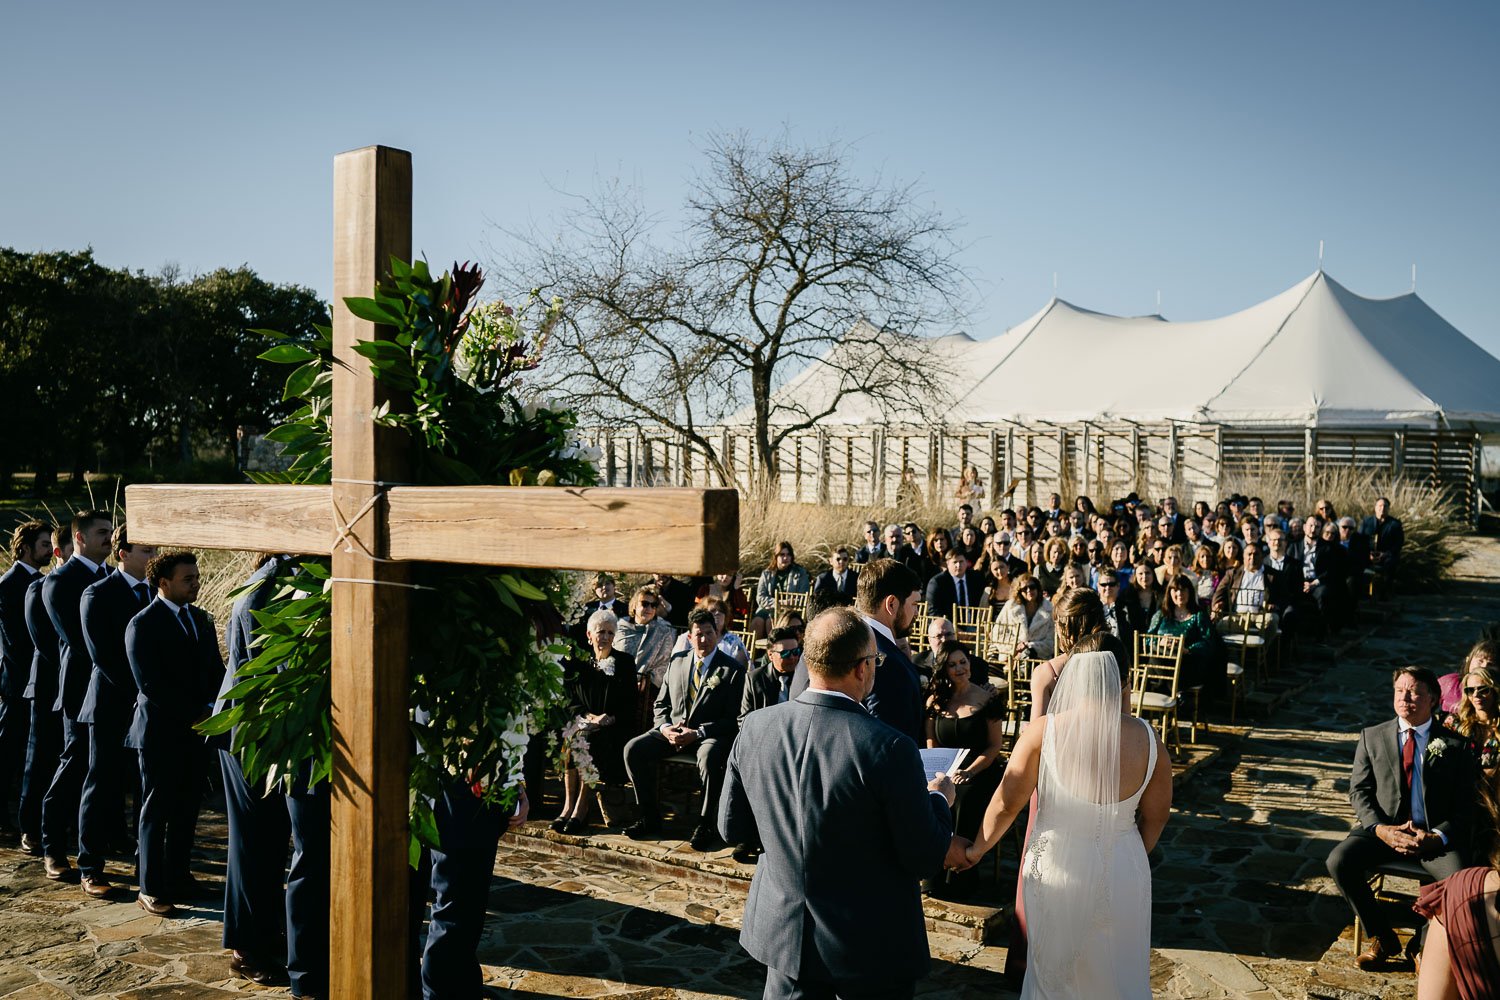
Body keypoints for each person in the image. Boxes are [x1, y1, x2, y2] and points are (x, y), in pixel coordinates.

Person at [719, 606, 965, 1000]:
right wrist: (939, 797)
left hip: (786, 935)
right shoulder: (889, 747)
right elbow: (922, 855)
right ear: (862, 668)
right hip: (868, 943)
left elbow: (732, 829)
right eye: (876, 660)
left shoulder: (755, 727)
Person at [964, 649, 1172, 999]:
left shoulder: (1044, 731)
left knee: (1054, 975)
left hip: (1058, 868)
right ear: (1123, 683)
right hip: (1124, 868)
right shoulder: (1149, 739)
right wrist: (1124, 850)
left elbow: (1005, 803)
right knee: (1115, 973)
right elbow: (1156, 817)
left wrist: (974, 849)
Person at [1326, 667, 1475, 970]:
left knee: (1459, 881)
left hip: (1433, 839)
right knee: (1338, 861)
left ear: (1433, 699)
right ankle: (1383, 936)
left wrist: (1437, 836)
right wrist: (1381, 829)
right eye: (1399, 690)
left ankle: (1419, 945)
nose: (1405, 697)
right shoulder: (1373, 736)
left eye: (1415, 691)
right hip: (1384, 830)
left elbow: (1466, 807)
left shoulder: (1455, 745)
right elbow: (1359, 792)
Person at [124, 552, 225, 916]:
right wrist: (195, 714)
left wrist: (216, 710)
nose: (196, 583)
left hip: (199, 730)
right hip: (160, 731)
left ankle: (180, 875)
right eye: (188, 578)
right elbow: (150, 683)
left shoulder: (201, 619)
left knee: (187, 807)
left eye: (197, 577)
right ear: (163, 583)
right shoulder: (142, 624)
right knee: (156, 808)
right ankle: (150, 887)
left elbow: (216, 669)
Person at [215, 553, 294, 987]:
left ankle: (266, 935)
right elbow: (273, 668)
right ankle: (247, 950)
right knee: (253, 846)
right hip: (248, 733)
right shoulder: (266, 587)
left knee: (266, 843)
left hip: (263, 730)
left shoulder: (276, 578)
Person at [73, 526, 156, 898]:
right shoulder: (98, 593)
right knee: (101, 783)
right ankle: (90, 867)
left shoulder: (158, 591)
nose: (154, 555)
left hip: (149, 706)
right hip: (110, 702)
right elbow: (102, 655)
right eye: (146, 549)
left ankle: (147, 865)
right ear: (122, 553)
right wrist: (140, 689)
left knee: (144, 786)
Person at [623, 608, 746, 851]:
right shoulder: (677, 661)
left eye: (709, 633)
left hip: (707, 736)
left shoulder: (731, 670)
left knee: (710, 759)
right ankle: (650, 816)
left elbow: (733, 719)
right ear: (689, 637)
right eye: (698, 634)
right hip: (672, 732)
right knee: (632, 749)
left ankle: (705, 823)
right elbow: (661, 704)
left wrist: (698, 733)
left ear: (718, 634)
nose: (704, 639)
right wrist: (666, 728)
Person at [40, 509, 114, 882]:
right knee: (74, 765)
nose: (109, 537)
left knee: (103, 770)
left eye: (111, 531)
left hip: (112, 687)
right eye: (102, 532)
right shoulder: (59, 582)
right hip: (79, 686)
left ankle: (102, 842)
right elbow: (76, 639)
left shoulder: (113, 578)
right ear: (80, 538)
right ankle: (51, 846)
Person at [924, 640, 1004, 899]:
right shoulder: (935, 702)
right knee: (932, 796)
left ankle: (962, 876)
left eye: (963, 662)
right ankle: (934, 872)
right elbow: (931, 742)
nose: (960, 668)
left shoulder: (987, 700)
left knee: (964, 798)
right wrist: (939, 774)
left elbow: (993, 747)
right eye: (952, 665)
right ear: (943, 670)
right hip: (944, 771)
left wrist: (970, 771)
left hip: (980, 772)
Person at [556, 610, 639, 834]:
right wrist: (589, 717)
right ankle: (567, 806)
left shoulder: (625, 662)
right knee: (573, 735)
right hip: (584, 723)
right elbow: (569, 699)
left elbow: (630, 704)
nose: (605, 637)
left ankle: (580, 809)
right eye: (600, 632)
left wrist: (608, 718)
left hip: (614, 729)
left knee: (583, 739)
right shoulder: (578, 662)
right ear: (589, 635)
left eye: (610, 633)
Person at [18, 526, 71, 856]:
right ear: (60, 553)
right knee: (38, 759)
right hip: (47, 682)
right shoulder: (39, 588)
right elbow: (40, 641)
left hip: (73, 684)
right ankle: (30, 828)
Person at [0, 521, 49, 839]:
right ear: (26, 548)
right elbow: (14, 641)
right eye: (43, 544)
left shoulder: (41, 581)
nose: (48, 550)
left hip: (33, 682)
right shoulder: (9, 584)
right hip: (16, 682)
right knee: (8, 750)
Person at [1148, 575, 1225, 691]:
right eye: (1175, 590)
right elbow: (1147, 639)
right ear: (1169, 593)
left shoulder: (1199, 615)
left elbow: (1208, 643)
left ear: (1190, 592)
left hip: (1188, 663)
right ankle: (1175, 691)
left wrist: (1186, 649)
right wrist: (1160, 642)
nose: (1179, 594)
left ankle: (1169, 689)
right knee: (1155, 658)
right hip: (1162, 661)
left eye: (1183, 590)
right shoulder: (1161, 615)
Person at [614, 585, 676, 714]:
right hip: (618, 685)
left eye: (653, 605)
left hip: (647, 691)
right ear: (634, 605)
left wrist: (646, 682)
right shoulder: (619, 628)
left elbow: (664, 663)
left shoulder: (664, 631)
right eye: (645, 604)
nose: (649, 608)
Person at [739, 626, 803, 726]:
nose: (792, 657)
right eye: (785, 653)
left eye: (795, 652)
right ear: (770, 655)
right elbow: (745, 719)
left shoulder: (806, 677)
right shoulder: (755, 679)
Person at [753, 542, 811, 641]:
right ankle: (752, 653)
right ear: (776, 556)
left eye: (788, 555)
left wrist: (788, 602)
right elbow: (760, 597)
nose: (785, 558)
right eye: (782, 554)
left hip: (790, 609)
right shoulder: (767, 574)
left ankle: (775, 648)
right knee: (757, 622)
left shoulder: (800, 573)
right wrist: (777, 603)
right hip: (769, 607)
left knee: (770, 622)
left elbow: (803, 596)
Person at [995, 573, 1055, 664]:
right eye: (1024, 589)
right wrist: (1016, 647)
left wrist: (1030, 646)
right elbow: (998, 632)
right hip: (1012, 655)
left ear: (1038, 589)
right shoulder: (1010, 607)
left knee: (1029, 655)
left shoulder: (1049, 608)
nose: (1029, 590)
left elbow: (1052, 638)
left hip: (1040, 657)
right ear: (1019, 591)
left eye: (1032, 587)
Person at [1363, 497, 1405, 598]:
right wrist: (1367, 554)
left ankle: (1384, 594)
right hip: (1368, 554)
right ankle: (1362, 593)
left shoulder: (1395, 524)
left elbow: (1398, 543)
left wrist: (1385, 554)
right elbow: (1360, 540)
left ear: (1388, 508)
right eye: (1380, 506)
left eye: (1385, 506)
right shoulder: (1366, 522)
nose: (1382, 508)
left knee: (1390, 564)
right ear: (1375, 507)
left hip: (1386, 556)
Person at [926, 548, 980, 621]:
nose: (958, 565)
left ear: (966, 562)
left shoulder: (976, 578)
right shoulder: (937, 583)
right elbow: (934, 611)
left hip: (974, 625)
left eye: (961, 561)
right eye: (955, 562)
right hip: (947, 626)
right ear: (947, 564)